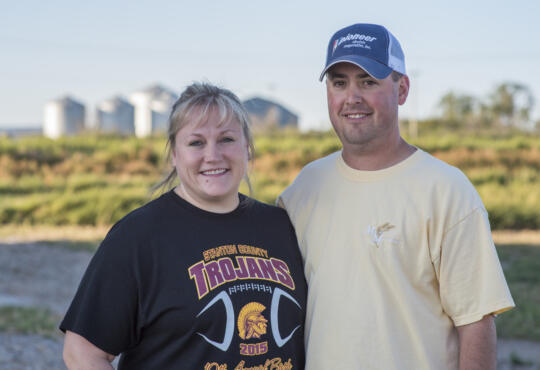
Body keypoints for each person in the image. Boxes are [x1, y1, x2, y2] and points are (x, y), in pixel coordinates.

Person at [278, 23, 514, 370]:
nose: (351, 97)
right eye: (339, 82)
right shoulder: (304, 189)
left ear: (402, 88)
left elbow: (476, 323)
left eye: (368, 81)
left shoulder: (446, 189)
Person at [61, 82, 306, 369]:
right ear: (174, 155)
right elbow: (82, 353)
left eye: (227, 139)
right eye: (196, 143)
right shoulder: (139, 237)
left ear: (247, 149)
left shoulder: (281, 227)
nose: (213, 155)